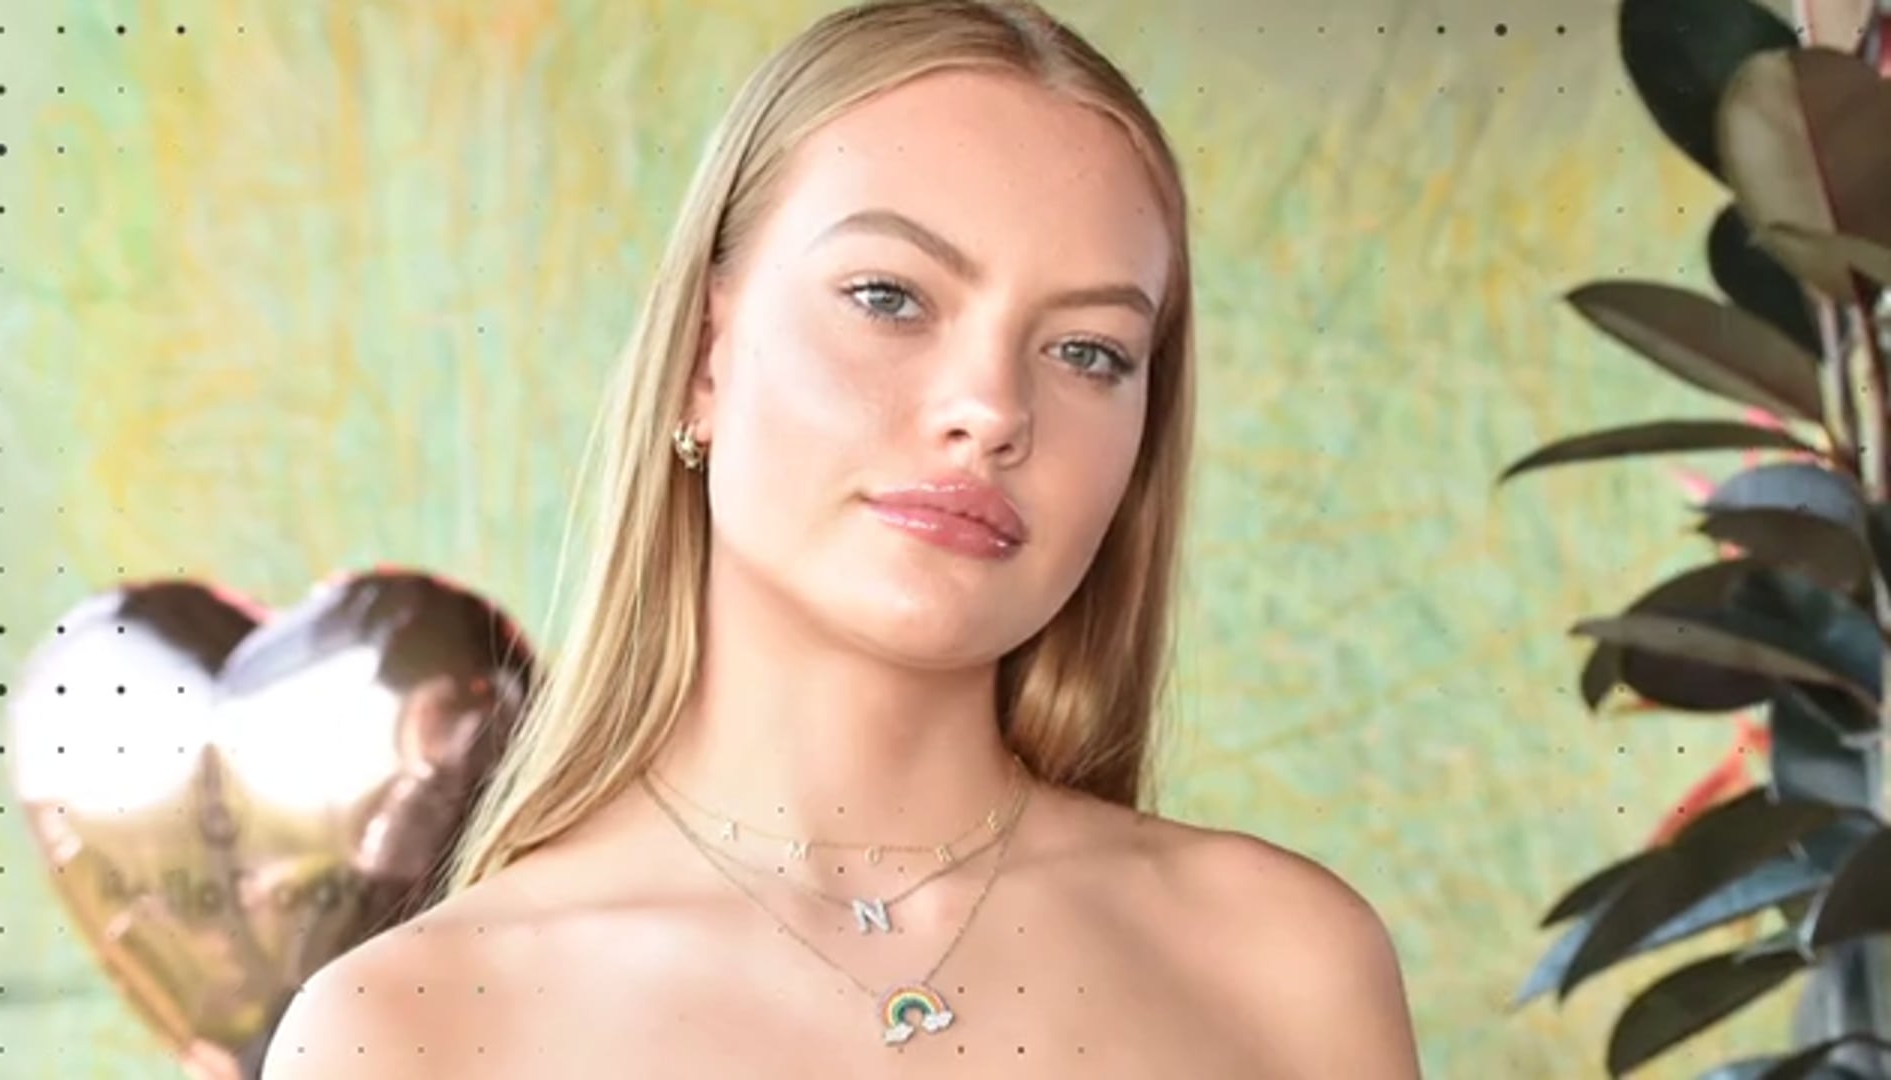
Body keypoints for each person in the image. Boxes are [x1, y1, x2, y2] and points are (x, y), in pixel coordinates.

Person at [261, 0, 1422, 1075]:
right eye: (889, 297)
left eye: (1088, 351)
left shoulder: (1285, 965)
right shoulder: (409, 1030)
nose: (992, 409)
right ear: (703, 358)